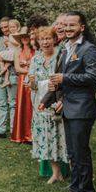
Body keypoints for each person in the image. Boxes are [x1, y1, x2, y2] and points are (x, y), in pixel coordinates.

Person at [49, 11, 96, 192]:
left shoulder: (89, 49)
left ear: (82, 27)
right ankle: (74, 189)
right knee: (72, 152)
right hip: (69, 106)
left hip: (82, 107)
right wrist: (55, 89)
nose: (68, 28)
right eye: (66, 25)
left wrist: (64, 78)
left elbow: (92, 77)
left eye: (73, 25)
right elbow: (64, 77)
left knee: (81, 152)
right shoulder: (65, 48)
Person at [28, 27, 67, 183]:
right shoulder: (35, 59)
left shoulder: (61, 56)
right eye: (42, 39)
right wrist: (31, 82)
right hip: (41, 105)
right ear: (38, 41)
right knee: (46, 137)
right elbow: (33, 86)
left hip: (58, 101)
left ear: (54, 39)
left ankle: (70, 170)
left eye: (48, 38)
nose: (45, 42)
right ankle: (55, 172)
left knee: (62, 136)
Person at [0, 17, 17, 139]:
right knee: (1, 103)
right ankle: (1, 130)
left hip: (13, 73)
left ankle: (13, 129)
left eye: (6, 27)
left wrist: (6, 61)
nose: (4, 29)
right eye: (2, 27)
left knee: (13, 103)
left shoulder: (17, 39)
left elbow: (17, 55)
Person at [11, 27, 34, 143]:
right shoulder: (17, 52)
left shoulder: (36, 50)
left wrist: (28, 67)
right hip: (22, 81)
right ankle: (22, 134)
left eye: (27, 36)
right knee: (23, 105)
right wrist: (30, 68)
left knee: (33, 105)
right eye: (22, 37)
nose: (25, 38)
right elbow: (17, 68)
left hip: (34, 80)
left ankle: (33, 134)